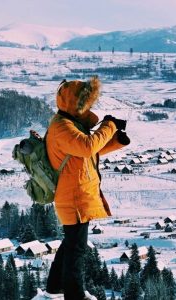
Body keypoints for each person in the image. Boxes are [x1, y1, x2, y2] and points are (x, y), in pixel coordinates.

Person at [44, 77, 129, 299]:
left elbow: (87, 154)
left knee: (71, 243)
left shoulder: (68, 124)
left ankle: (54, 286)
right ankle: (74, 295)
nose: (89, 107)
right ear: (75, 104)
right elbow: (87, 146)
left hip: (75, 195)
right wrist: (109, 125)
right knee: (77, 249)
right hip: (74, 197)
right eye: (85, 103)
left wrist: (117, 140)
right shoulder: (62, 127)